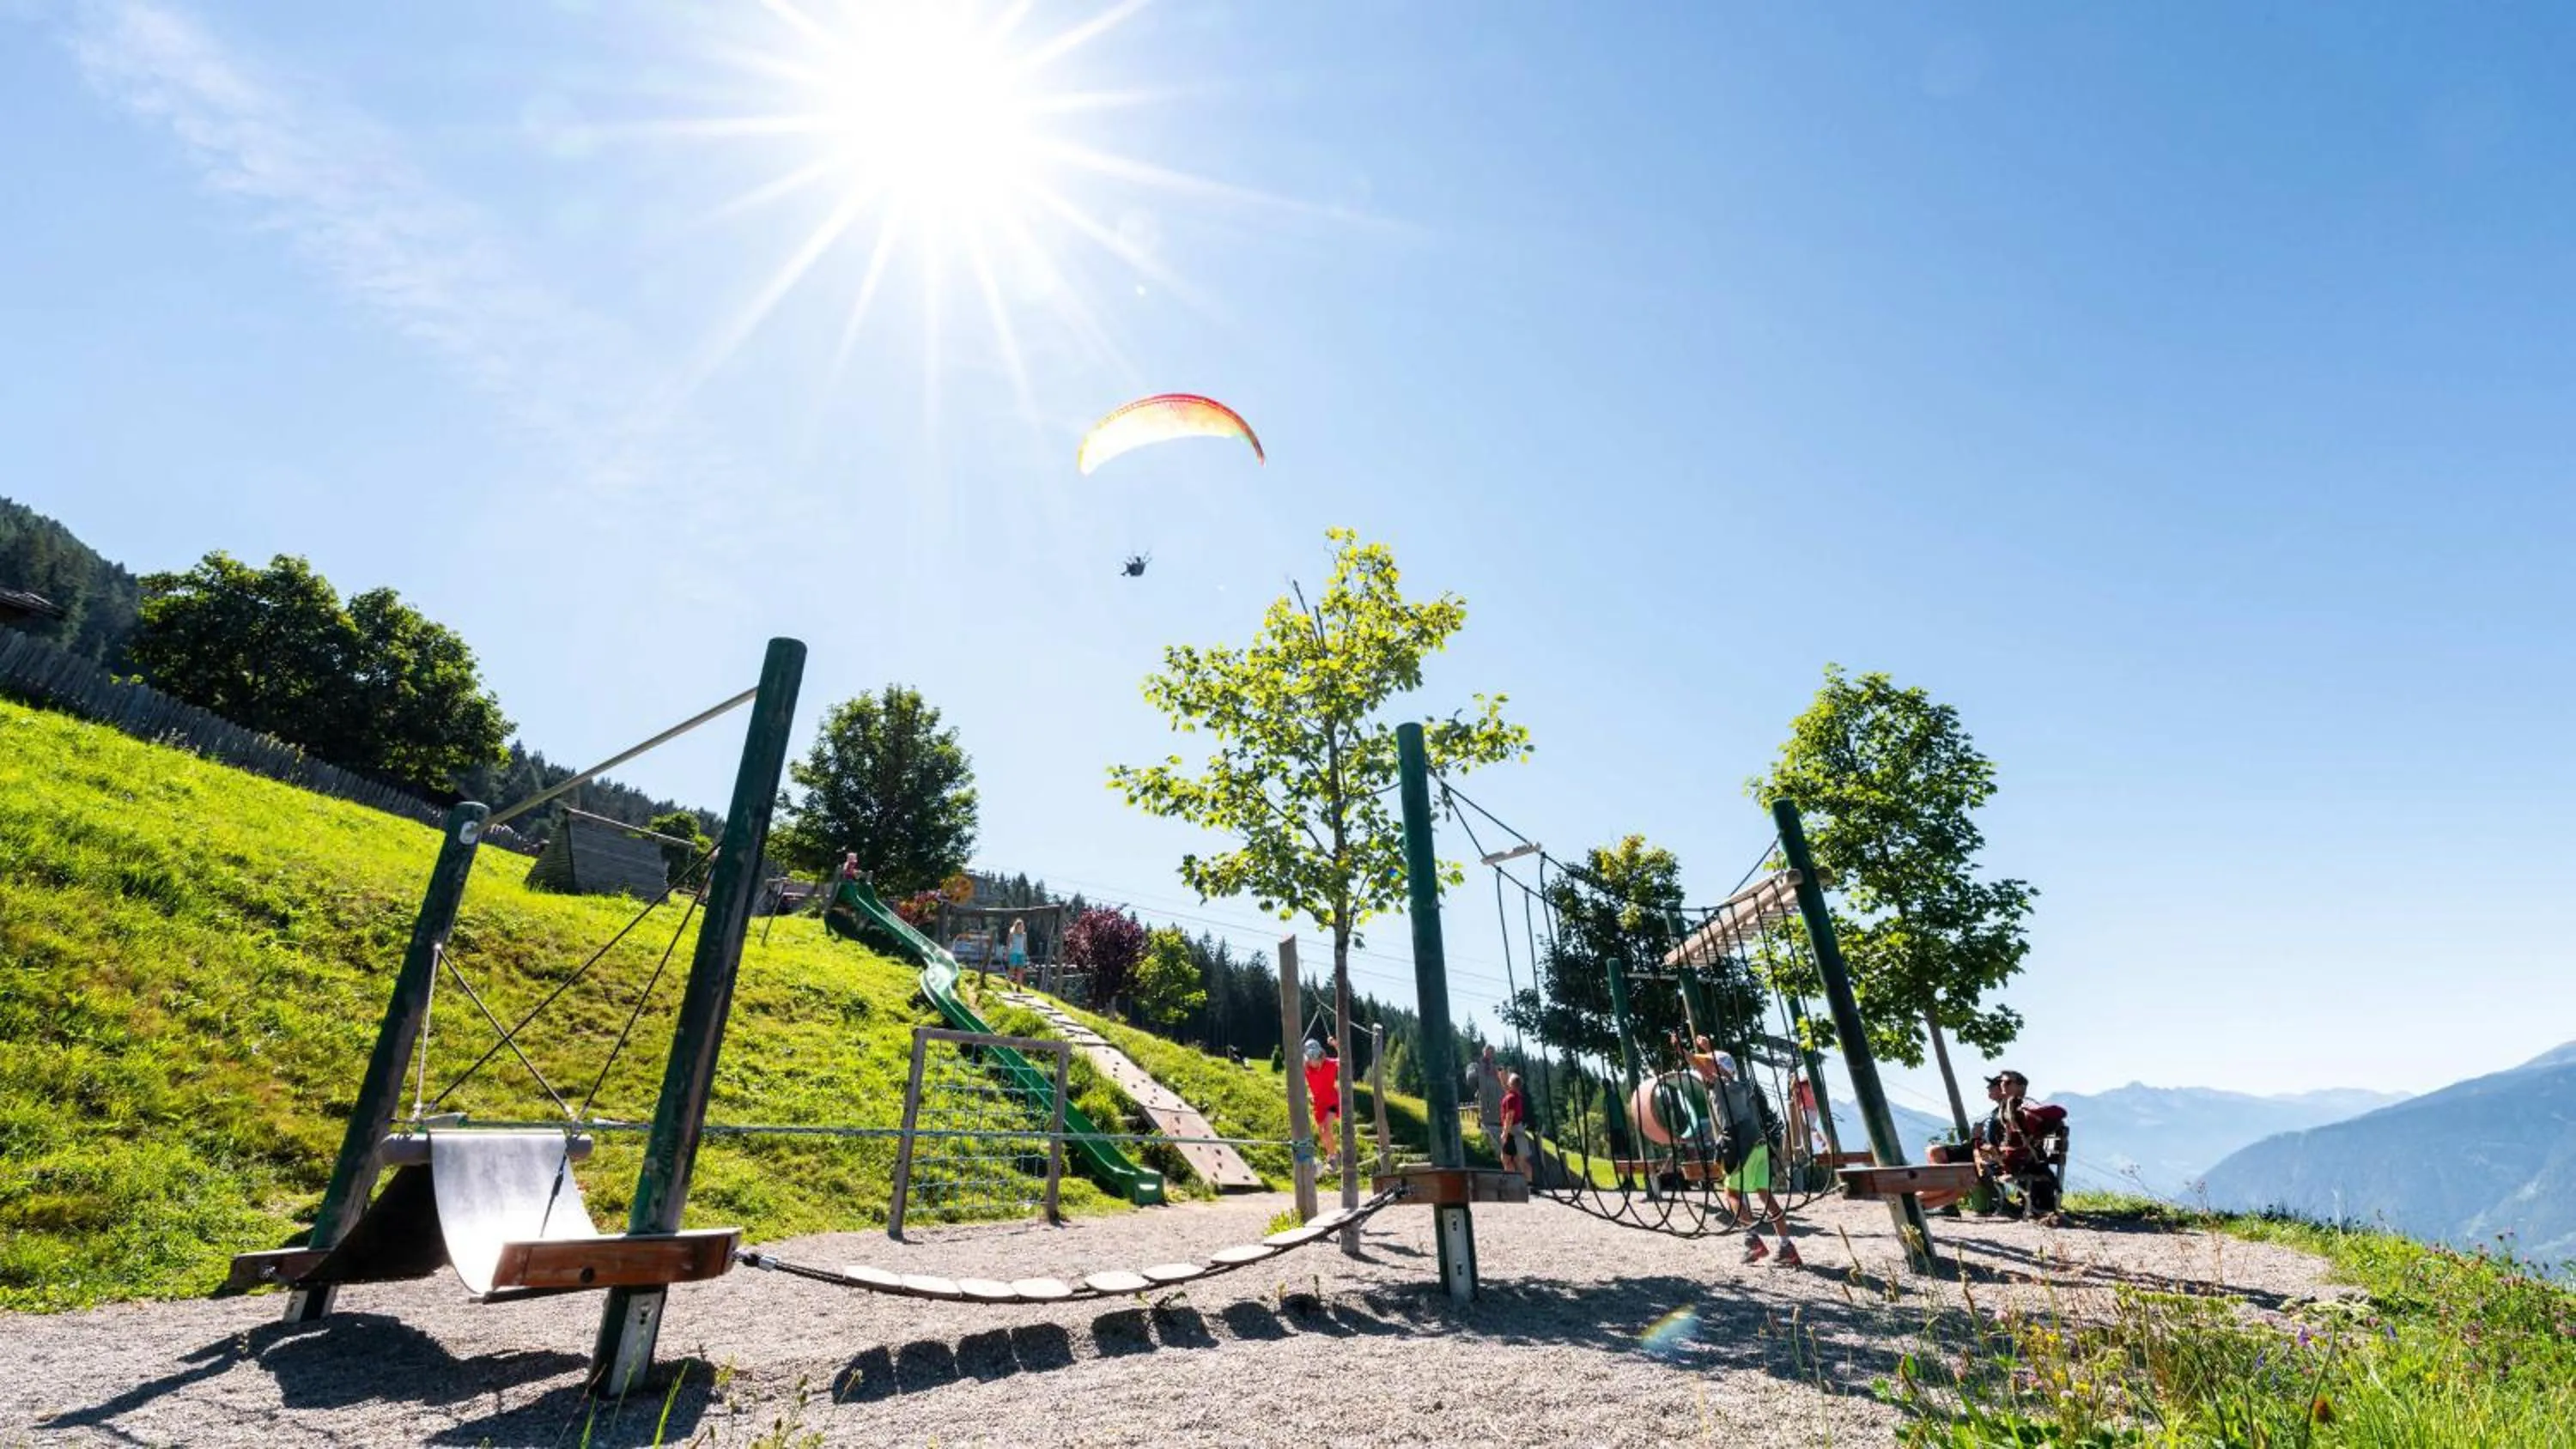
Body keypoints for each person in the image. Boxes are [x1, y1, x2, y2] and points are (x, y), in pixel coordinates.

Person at [1712, 1052, 1801, 1266]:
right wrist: (1707, 1050)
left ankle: (1753, 1241)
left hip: (1743, 1142)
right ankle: (1786, 1246)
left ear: (1720, 1069)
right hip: (1759, 1143)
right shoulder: (1740, 1087)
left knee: (1732, 1191)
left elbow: (1703, 1068)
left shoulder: (1721, 1086)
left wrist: (1683, 1051)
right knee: (1765, 1195)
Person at [1303, 1040, 1344, 1171]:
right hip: (1318, 1104)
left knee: (1327, 1129)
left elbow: (1344, 1059)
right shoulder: (1305, 1067)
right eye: (1311, 1058)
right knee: (1321, 1133)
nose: (1315, 1062)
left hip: (1332, 1099)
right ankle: (1332, 1154)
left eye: (1317, 1057)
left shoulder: (1330, 1064)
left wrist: (1336, 1045)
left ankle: (1333, 1159)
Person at [1498, 1070, 1535, 1179]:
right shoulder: (1516, 1096)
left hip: (1512, 1130)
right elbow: (1506, 1088)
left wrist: (1504, 1134)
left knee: (1506, 1159)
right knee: (1521, 1160)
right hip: (1518, 1129)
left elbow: (1509, 1117)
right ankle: (1529, 1184)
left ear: (1511, 1084)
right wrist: (1501, 1078)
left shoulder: (1510, 1098)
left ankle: (1512, 1182)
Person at [1467, 1045, 1505, 1146]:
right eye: (1488, 1052)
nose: (1490, 1054)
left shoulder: (1498, 1068)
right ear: (1483, 1052)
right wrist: (1477, 1072)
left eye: (1492, 1052)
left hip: (1499, 1107)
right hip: (1486, 1105)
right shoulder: (1476, 1065)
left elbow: (1506, 1083)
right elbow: (1470, 1079)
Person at [1006, 917, 1029, 985]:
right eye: (1019, 927)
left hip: (1021, 954)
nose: (1021, 928)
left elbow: (1025, 945)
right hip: (1013, 953)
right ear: (1016, 927)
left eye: (1022, 927)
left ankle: (1019, 985)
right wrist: (1008, 952)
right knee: (1012, 969)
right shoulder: (1012, 934)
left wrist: (1025, 954)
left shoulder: (1024, 935)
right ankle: (1008, 982)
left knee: (1020, 970)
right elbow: (1008, 943)